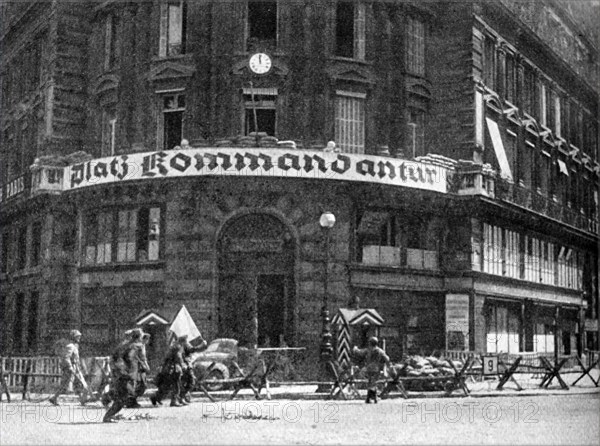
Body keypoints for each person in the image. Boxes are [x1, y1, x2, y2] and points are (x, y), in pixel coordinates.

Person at [103, 329, 149, 422]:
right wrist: (124, 371)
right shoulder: (133, 347)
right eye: (141, 336)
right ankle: (107, 415)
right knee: (124, 396)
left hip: (127, 374)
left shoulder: (127, 345)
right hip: (126, 375)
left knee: (126, 393)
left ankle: (108, 398)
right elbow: (126, 358)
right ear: (139, 337)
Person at [50, 330, 89, 406]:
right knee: (66, 384)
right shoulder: (70, 346)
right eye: (77, 336)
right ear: (73, 337)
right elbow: (66, 357)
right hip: (71, 368)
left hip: (76, 367)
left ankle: (82, 400)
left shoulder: (75, 345)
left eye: (79, 336)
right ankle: (54, 398)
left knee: (78, 383)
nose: (79, 338)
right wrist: (70, 367)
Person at [352, 336, 391, 404]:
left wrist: (355, 349)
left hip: (368, 368)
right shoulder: (380, 351)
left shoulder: (368, 350)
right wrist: (386, 365)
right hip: (376, 368)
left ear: (370, 343)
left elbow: (359, 352)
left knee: (371, 382)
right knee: (373, 382)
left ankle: (369, 398)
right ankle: (373, 398)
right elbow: (387, 358)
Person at [150, 336, 187, 407]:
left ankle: (155, 397)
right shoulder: (178, 347)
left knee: (167, 385)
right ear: (183, 341)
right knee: (176, 385)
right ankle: (174, 401)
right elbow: (178, 357)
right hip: (174, 368)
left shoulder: (174, 346)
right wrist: (183, 365)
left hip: (168, 368)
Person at [179, 335, 207, 403]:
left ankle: (183, 397)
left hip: (185, 364)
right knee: (191, 381)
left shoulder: (182, 343)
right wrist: (202, 345)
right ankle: (182, 397)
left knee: (185, 382)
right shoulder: (185, 343)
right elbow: (192, 349)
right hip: (187, 365)